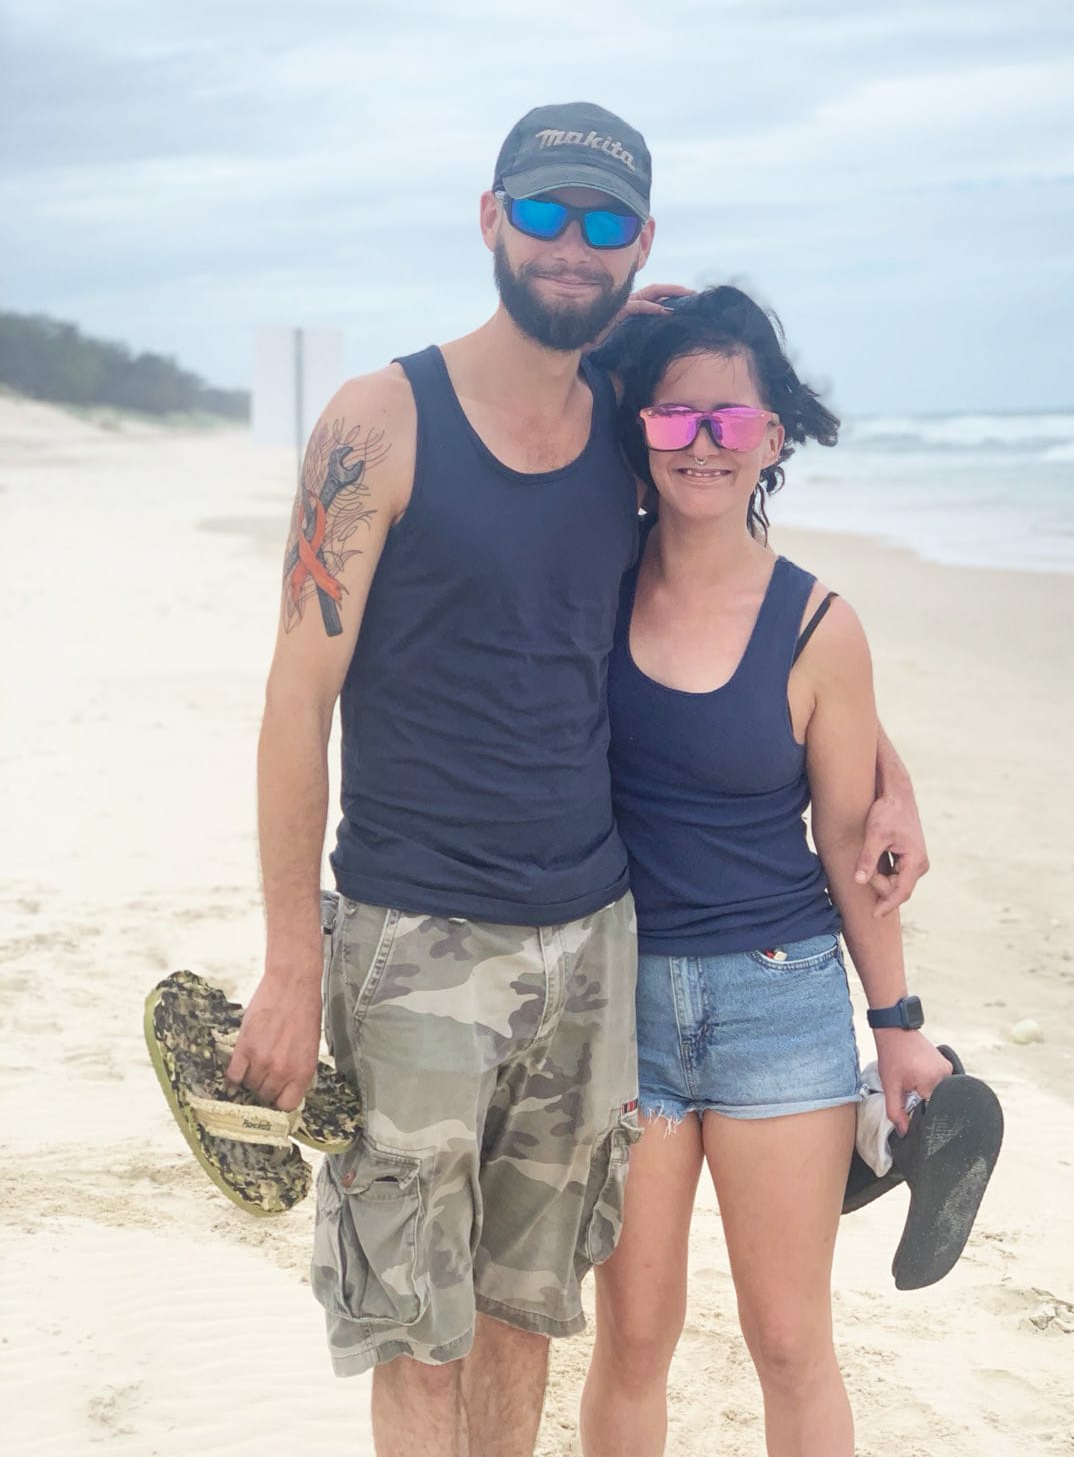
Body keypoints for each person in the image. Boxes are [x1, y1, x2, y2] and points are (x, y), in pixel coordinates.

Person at [225, 104, 930, 1457]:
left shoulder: (626, 425)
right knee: (416, 1337)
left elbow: (733, 597)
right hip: (413, 940)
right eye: (545, 213)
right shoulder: (382, 420)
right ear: (490, 214)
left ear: (639, 243)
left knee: (526, 1322)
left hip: (598, 949)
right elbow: (293, 695)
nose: (570, 244)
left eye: (603, 224)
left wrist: (888, 770)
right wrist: (291, 956)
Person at [579, 287, 952, 1457]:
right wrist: (612, 330)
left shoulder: (819, 628)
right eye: (675, 417)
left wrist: (897, 1025)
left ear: (773, 439)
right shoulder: (589, 583)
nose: (701, 443)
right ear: (638, 425)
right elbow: (529, 404)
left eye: (730, 422)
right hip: (620, 999)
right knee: (633, 1336)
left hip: (779, 1001)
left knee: (788, 1340)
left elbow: (855, 849)